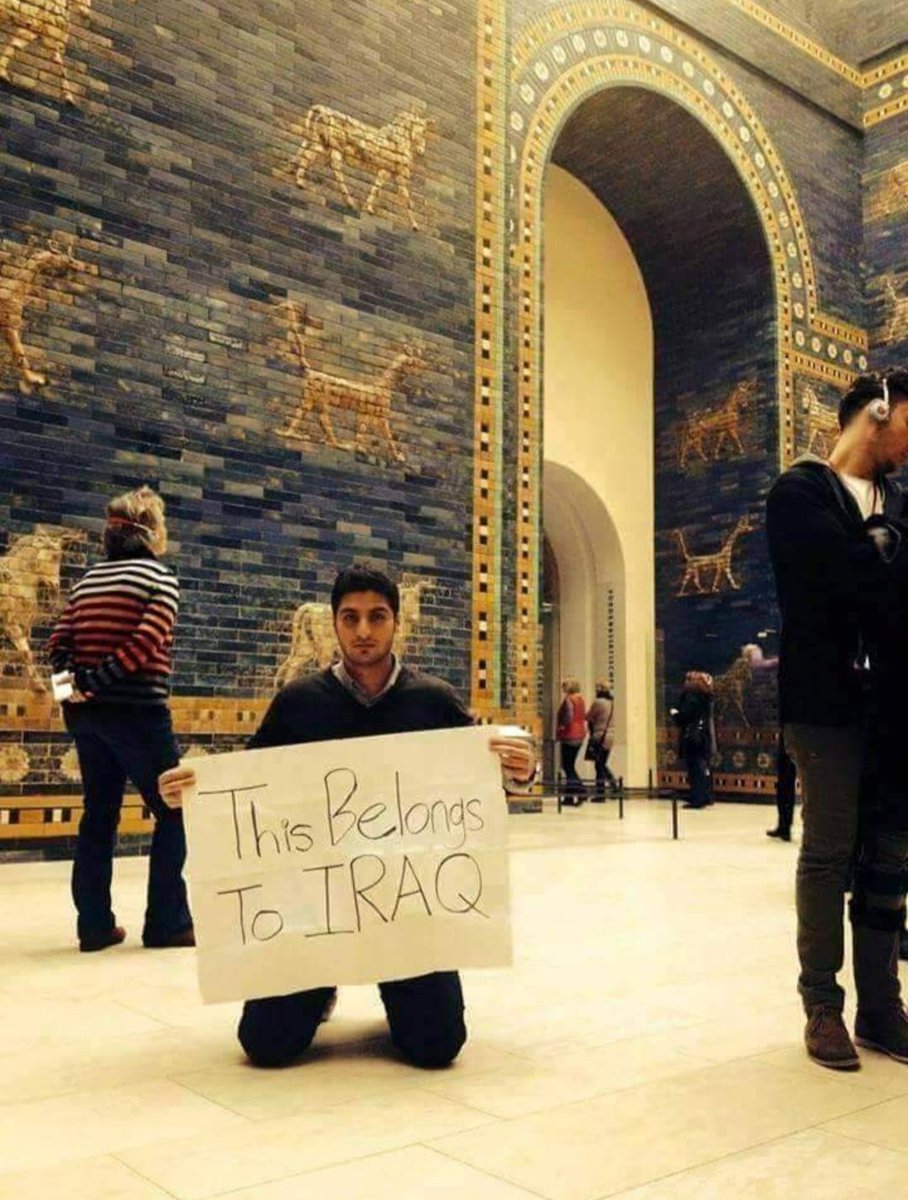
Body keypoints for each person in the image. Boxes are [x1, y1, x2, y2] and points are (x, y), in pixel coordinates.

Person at [159, 563, 535, 1070]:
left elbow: (479, 785)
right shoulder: (298, 703)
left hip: (408, 913)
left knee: (437, 1046)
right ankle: (322, 987)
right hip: (314, 915)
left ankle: (396, 987)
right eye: (350, 617)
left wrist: (521, 772)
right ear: (334, 623)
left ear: (396, 622)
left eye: (377, 616)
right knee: (266, 1046)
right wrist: (193, 794)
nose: (363, 630)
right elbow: (248, 790)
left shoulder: (433, 701)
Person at [766, 369, 908, 1070]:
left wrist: (876, 562)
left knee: (890, 854)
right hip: (823, 704)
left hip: (896, 704)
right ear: (878, 410)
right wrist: (881, 557)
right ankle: (821, 1004)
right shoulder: (798, 492)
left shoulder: (901, 502)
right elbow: (834, 581)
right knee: (826, 852)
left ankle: (881, 1008)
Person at [48, 486, 193, 953]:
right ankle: (167, 924)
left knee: (98, 815)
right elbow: (145, 643)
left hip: (85, 718)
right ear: (152, 532)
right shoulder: (159, 579)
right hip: (138, 714)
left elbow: (57, 644)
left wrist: (72, 693)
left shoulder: (86, 582)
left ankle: (94, 927)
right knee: (177, 809)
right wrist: (98, 682)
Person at [671, 671, 716, 810]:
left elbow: (685, 715)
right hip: (704, 735)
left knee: (695, 767)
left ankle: (697, 798)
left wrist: (675, 713)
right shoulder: (707, 696)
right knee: (703, 767)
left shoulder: (691, 697)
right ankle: (706, 796)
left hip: (692, 736)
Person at [586, 680, 618, 799]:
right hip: (609, 736)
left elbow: (588, 716)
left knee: (599, 765)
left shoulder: (598, 702)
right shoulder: (611, 702)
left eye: (597, 688)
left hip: (600, 736)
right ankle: (613, 787)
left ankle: (601, 794)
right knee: (601, 763)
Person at [556, 677, 586, 803]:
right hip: (580, 735)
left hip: (569, 735)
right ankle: (569, 797)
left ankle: (581, 791)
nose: (562, 687)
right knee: (570, 765)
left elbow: (568, 715)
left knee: (567, 766)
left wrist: (562, 726)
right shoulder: (580, 700)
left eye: (564, 685)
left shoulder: (569, 699)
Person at [766, 733, 797, 842]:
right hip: (788, 737)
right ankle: (783, 825)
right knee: (783, 785)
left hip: (791, 737)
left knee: (786, 785)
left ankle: (785, 827)